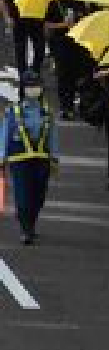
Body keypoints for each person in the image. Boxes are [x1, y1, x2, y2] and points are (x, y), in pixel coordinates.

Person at [0, 76, 56, 244]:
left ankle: (30, 221)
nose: (33, 89)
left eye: (36, 86)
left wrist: (55, 157)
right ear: (23, 90)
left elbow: (52, 136)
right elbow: (5, 134)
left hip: (42, 158)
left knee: (39, 195)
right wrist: (2, 157)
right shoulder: (13, 111)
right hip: (20, 159)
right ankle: (26, 229)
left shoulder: (46, 111)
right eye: (30, 86)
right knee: (23, 194)